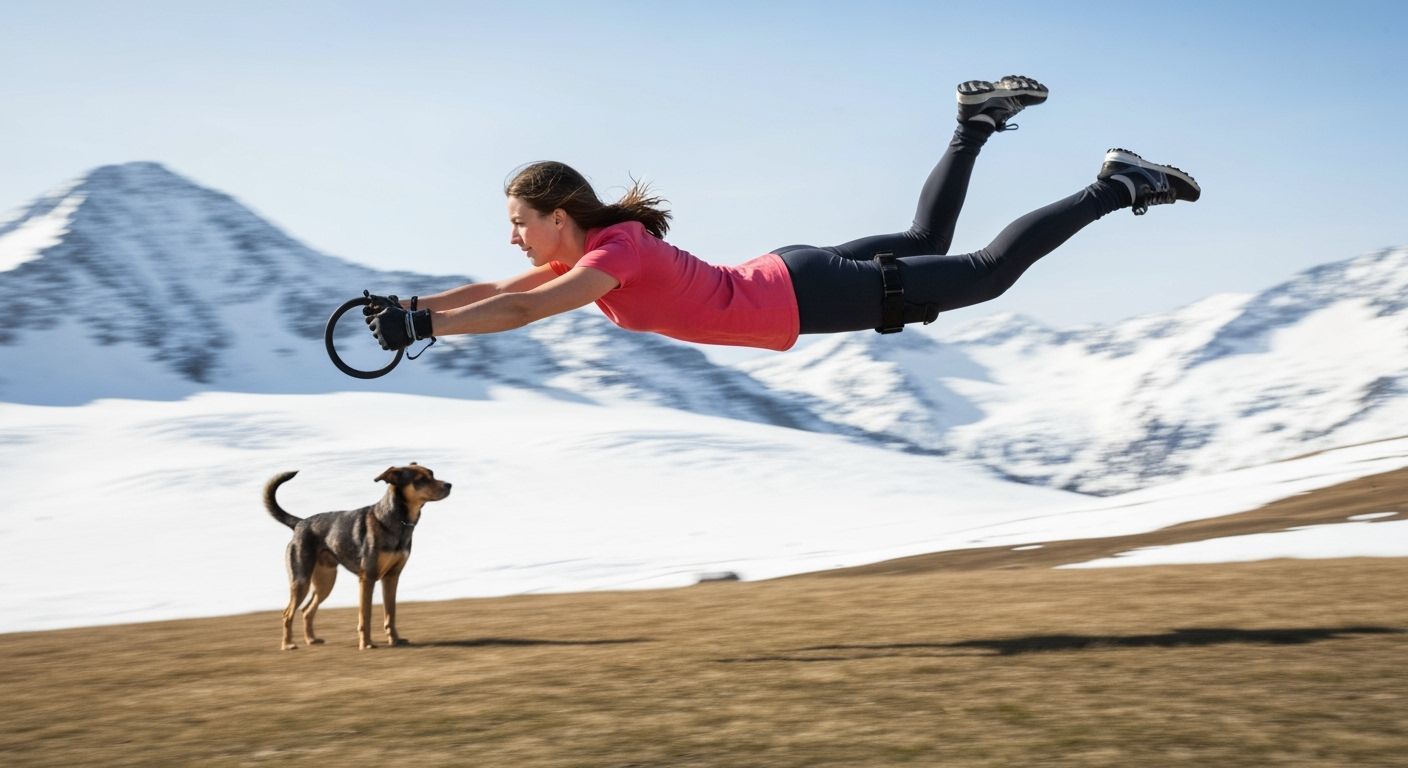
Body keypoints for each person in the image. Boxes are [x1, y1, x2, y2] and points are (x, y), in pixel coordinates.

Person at [366, 75, 1199, 353]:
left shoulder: (608, 260)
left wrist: (428, 333)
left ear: (557, 215)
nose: (513, 236)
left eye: (520, 220)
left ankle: (1116, 186)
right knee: (924, 244)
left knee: (981, 275)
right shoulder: (590, 250)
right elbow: (495, 285)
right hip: (790, 273)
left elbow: (519, 308)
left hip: (799, 293)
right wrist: (413, 307)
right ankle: (973, 124)